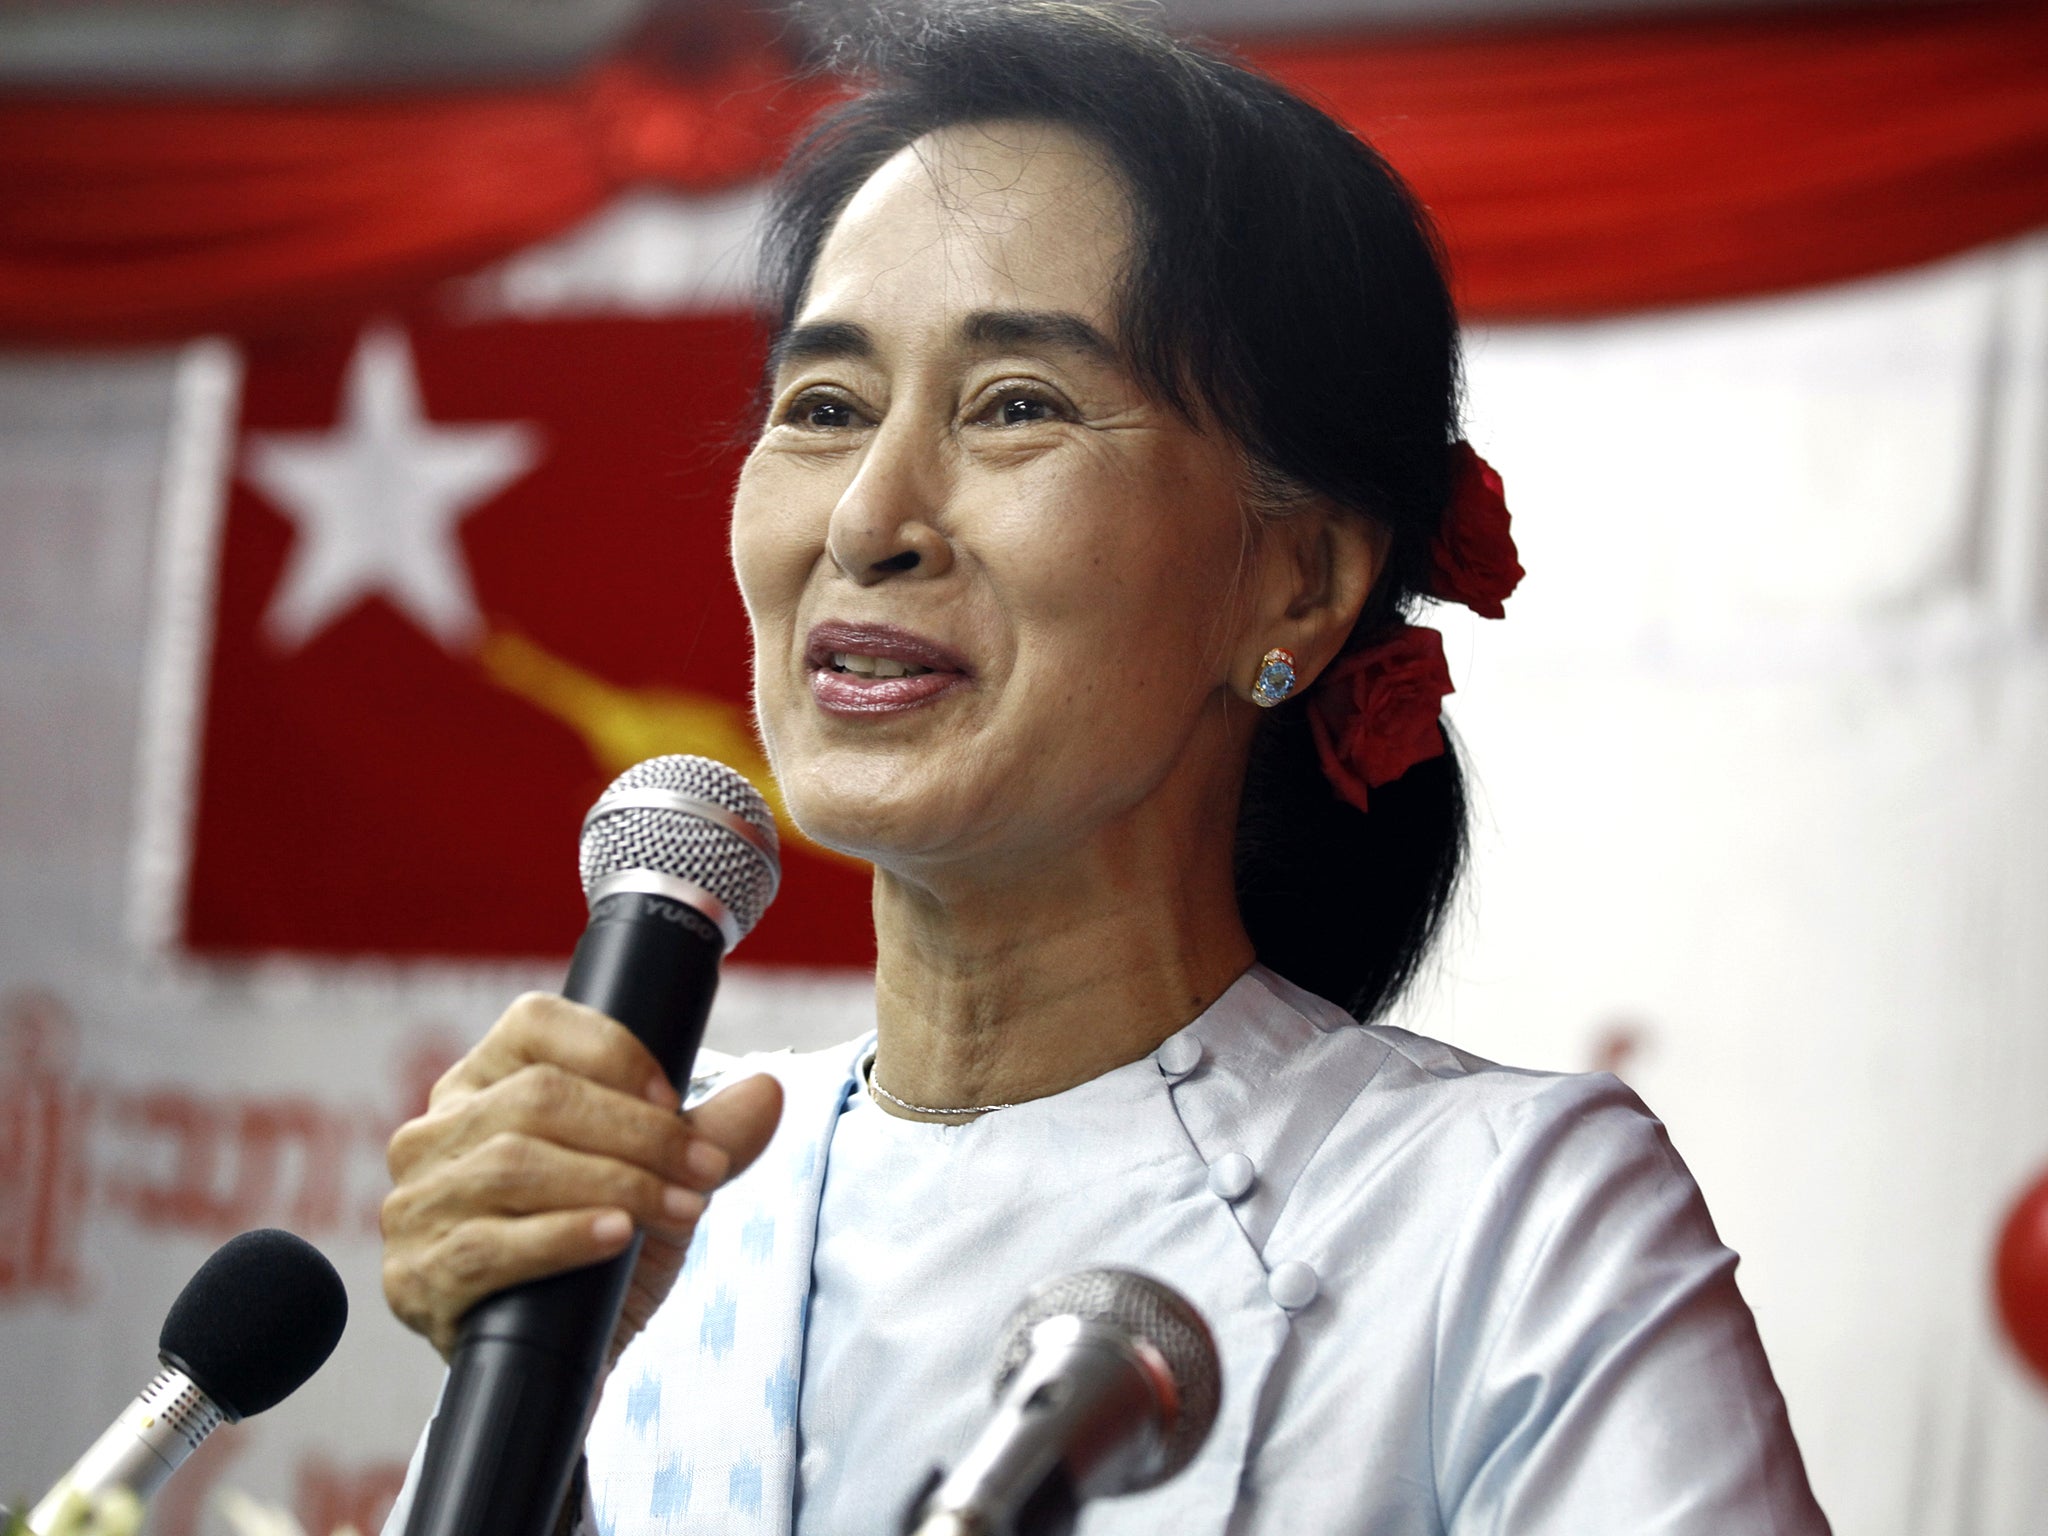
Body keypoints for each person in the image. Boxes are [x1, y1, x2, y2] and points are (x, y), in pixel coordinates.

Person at [379, 4, 1830, 1532]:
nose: (870, 516)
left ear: (1299, 585)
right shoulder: (664, 1207)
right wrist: (542, 1379)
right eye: (823, 407)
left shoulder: (1494, 1220)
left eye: (1017, 405)